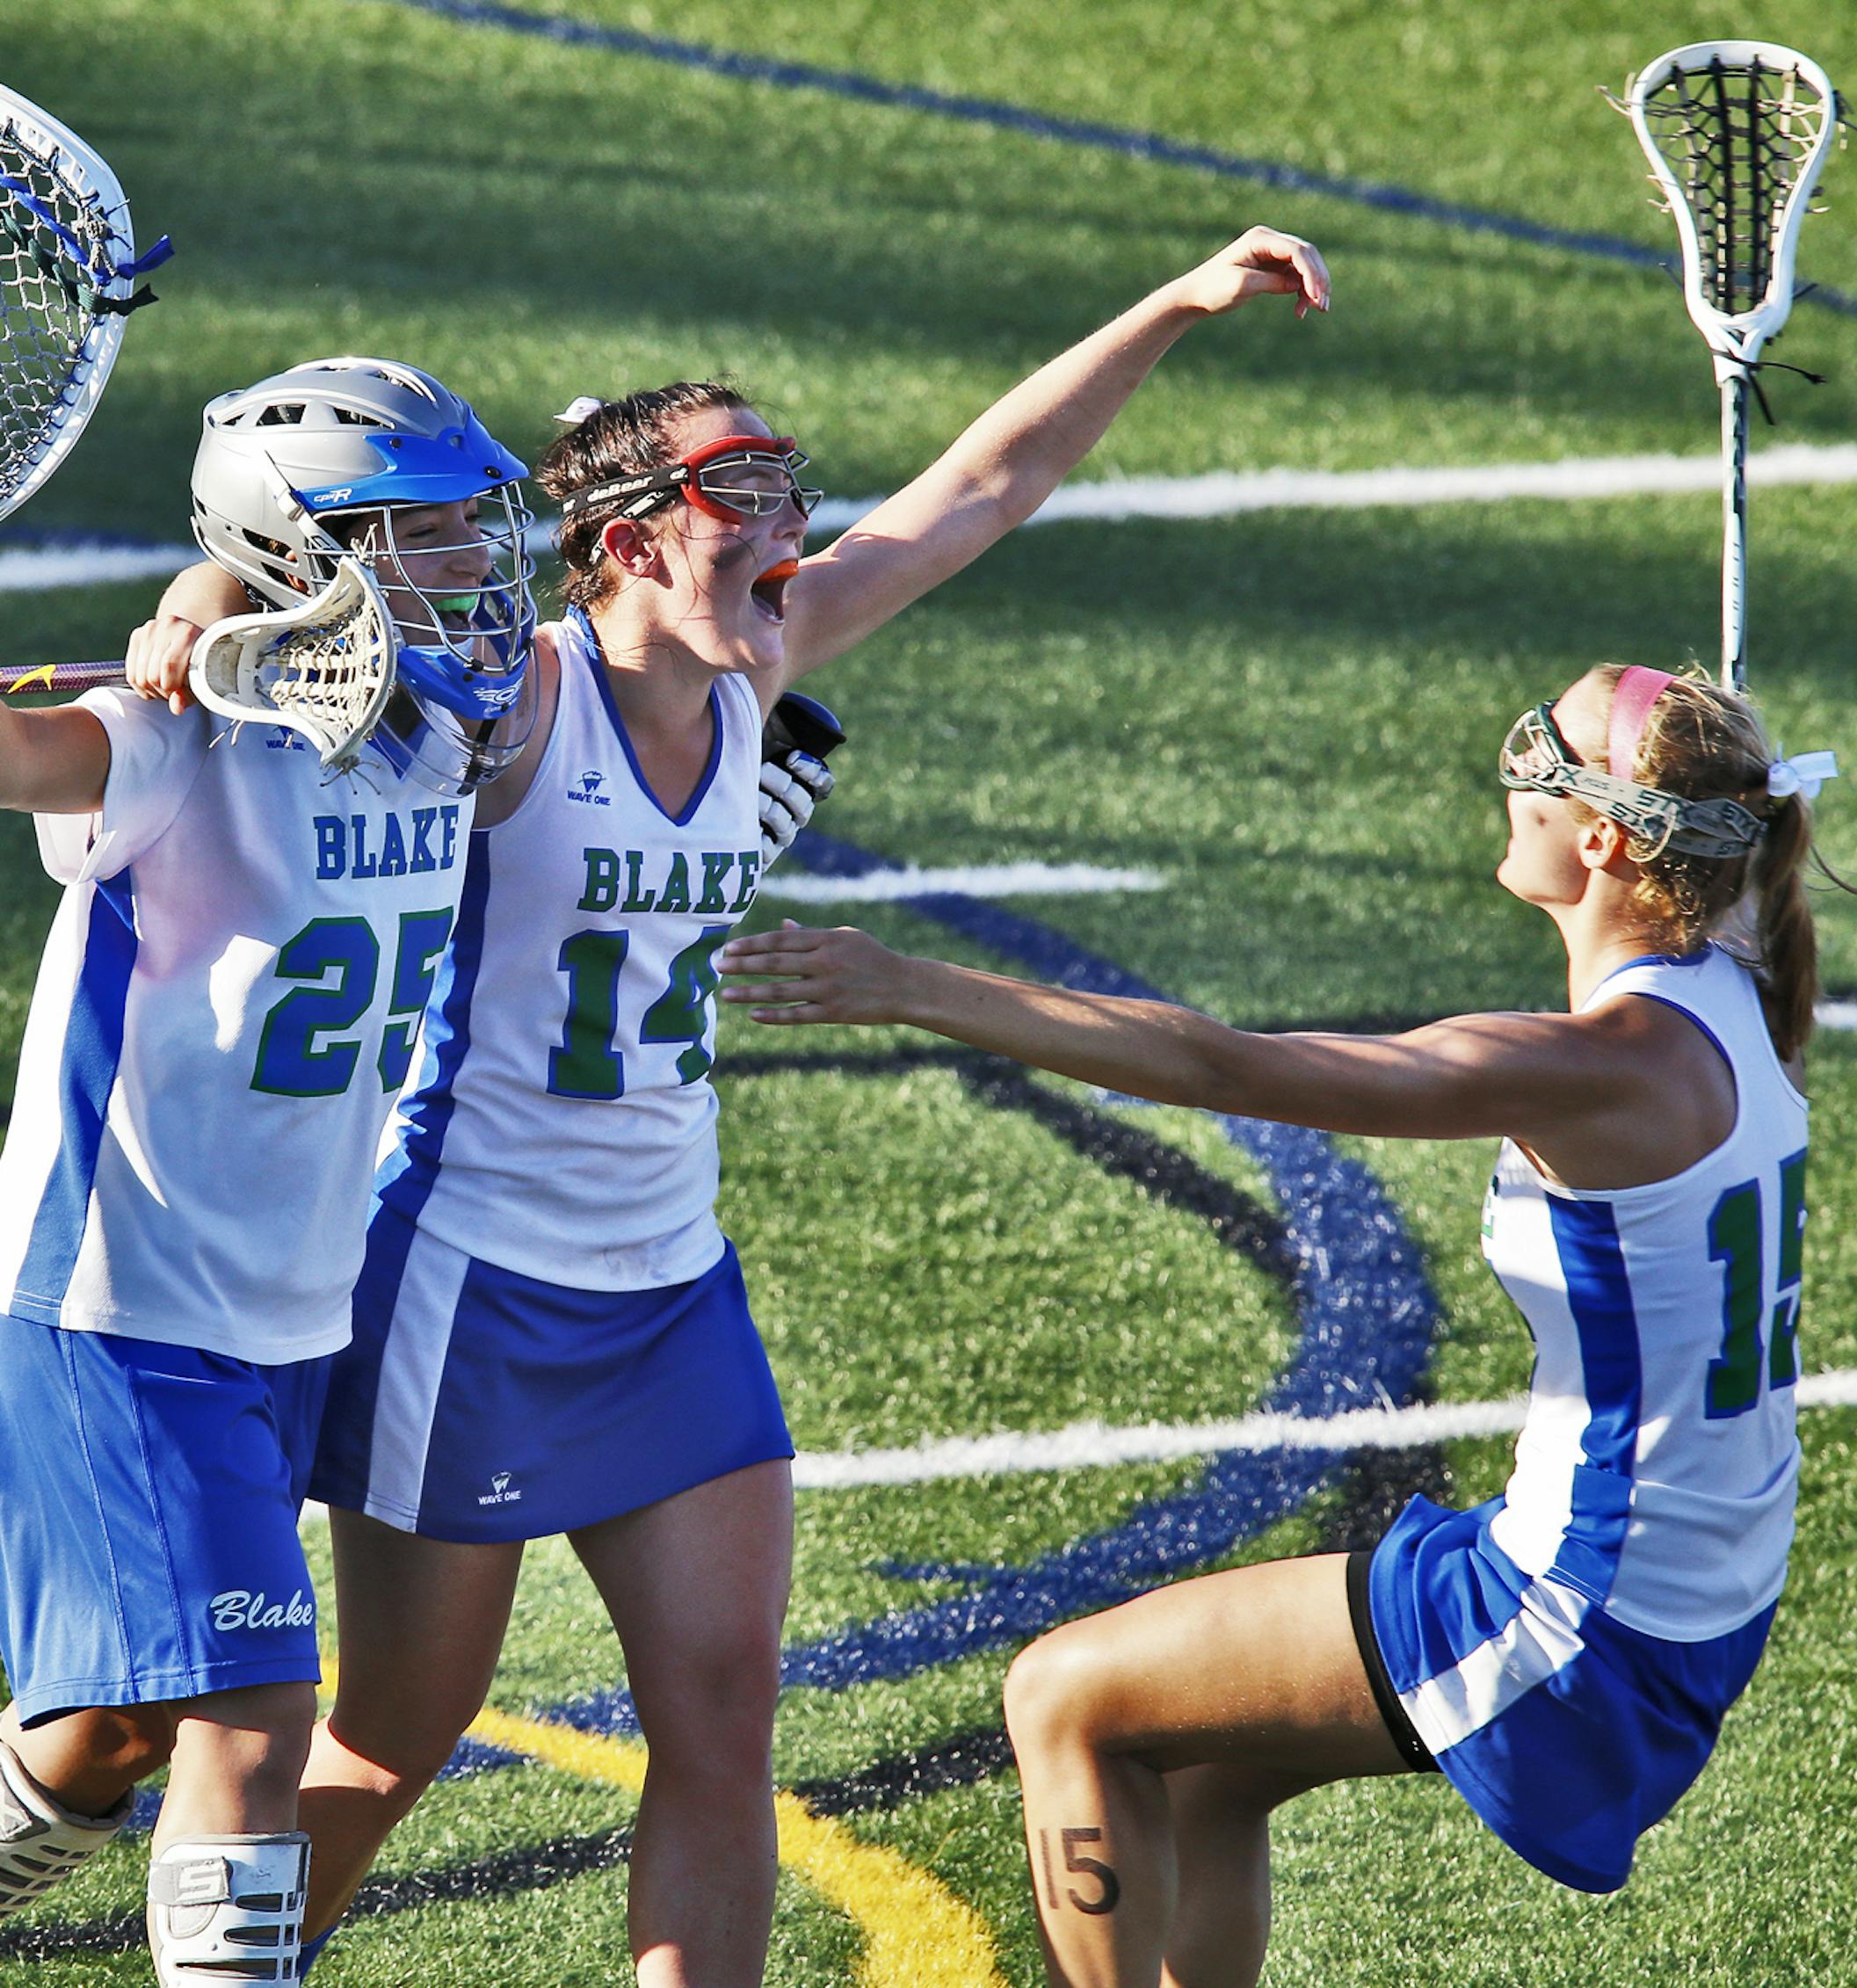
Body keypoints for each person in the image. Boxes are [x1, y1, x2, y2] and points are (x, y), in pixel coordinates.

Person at [138, 224, 1331, 1985]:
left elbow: (983, 491)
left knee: (723, 1740)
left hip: (675, 1288)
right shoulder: (512, 703)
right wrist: (195, 604)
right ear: (626, 542)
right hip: (465, 1290)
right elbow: (305, 605)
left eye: (789, 491)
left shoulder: (756, 664)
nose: (787, 532)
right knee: (388, 1753)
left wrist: (1169, 305)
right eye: (739, 496)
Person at [716, 663, 1834, 1987]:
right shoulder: (1740, 977)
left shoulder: (1594, 1066)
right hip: (1688, 1593)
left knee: (1061, 1696)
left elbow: (1220, 1065)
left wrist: (909, 982)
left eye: (1545, 740)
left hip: (1581, 1608)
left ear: (1601, 838)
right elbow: (1725, 841)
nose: (1515, 754)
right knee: (1194, 1765)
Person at [0, 355, 536, 1984]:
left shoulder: (435, 733)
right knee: (251, 1706)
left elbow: (516, 742)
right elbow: (34, 765)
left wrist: (217, 583)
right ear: (320, 549)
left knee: (106, 1730)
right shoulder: (176, 737)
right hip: (124, 1294)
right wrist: (197, 622)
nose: (471, 566)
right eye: (422, 533)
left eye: (470, 528)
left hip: (288, 1311)